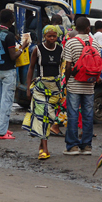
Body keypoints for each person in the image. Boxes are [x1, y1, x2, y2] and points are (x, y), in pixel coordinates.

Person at [22, 25, 63, 159]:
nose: (52, 38)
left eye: (54, 36)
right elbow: (31, 68)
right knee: (42, 117)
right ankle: (45, 150)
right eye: (49, 36)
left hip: (55, 88)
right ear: (44, 36)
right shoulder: (37, 50)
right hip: (40, 88)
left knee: (49, 118)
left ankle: (41, 145)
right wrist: (28, 88)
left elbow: (62, 68)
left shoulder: (60, 50)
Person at [63, 16, 102, 155]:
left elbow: (68, 66)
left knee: (73, 115)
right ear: (88, 28)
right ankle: (86, 146)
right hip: (89, 85)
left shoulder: (71, 43)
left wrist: (66, 81)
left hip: (74, 84)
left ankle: (72, 146)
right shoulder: (95, 43)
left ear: (75, 27)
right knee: (88, 115)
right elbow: (98, 64)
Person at [0, 9, 28, 140]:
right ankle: (1, 132)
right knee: (7, 101)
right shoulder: (9, 35)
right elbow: (13, 56)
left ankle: (0, 128)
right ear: (10, 20)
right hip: (8, 71)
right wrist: (22, 47)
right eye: (13, 17)